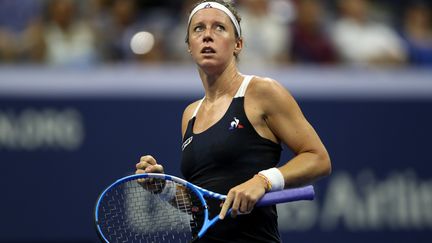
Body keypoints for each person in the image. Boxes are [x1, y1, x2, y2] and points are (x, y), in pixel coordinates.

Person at [135, 0, 331, 242]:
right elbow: (203, 205)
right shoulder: (190, 114)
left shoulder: (262, 91)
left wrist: (264, 180)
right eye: (198, 29)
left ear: (238, 44)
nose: (207, 35)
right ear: (189, 46)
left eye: (219, 28)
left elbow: (318, 159)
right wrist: (162, 189)